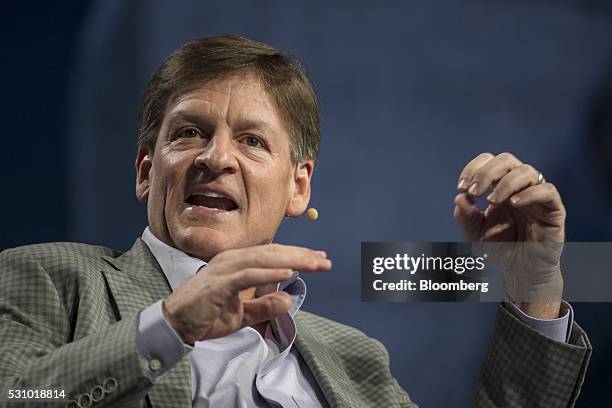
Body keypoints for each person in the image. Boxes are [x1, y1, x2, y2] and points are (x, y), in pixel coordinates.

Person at [0, 35, 591, 408]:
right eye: (189, 133)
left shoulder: (355, 362)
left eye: (253, 141)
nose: (216, 158)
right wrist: (171, 324)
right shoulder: (52, 279)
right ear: (145, 171)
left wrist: (532, 287)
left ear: (297, 185)